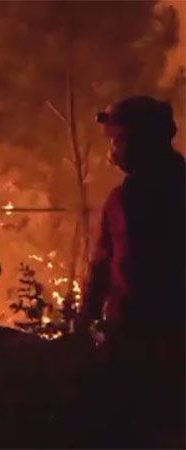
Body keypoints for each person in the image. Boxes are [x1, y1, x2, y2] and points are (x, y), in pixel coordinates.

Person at [78, 96, 185, 356]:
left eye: (117, 140)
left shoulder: (125, 201)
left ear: (140, 142)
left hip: (142, 336)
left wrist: (84, 322)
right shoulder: (123, 199)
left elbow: (104, 265)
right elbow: (103, 264)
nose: (113, 150)